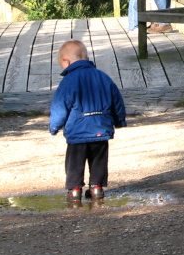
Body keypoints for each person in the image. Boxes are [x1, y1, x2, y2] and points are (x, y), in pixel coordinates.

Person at [49, 40, 127, 203]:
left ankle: (75, 189)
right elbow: (116, 101)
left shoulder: (68, 81)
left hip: (78, 131)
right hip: (100, 129)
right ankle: (97, 187)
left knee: (75, 161)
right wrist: (119, 120)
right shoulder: (103, 77)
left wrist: (55, 125)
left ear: (66, 61)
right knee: (99, 159)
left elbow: (60, 106)